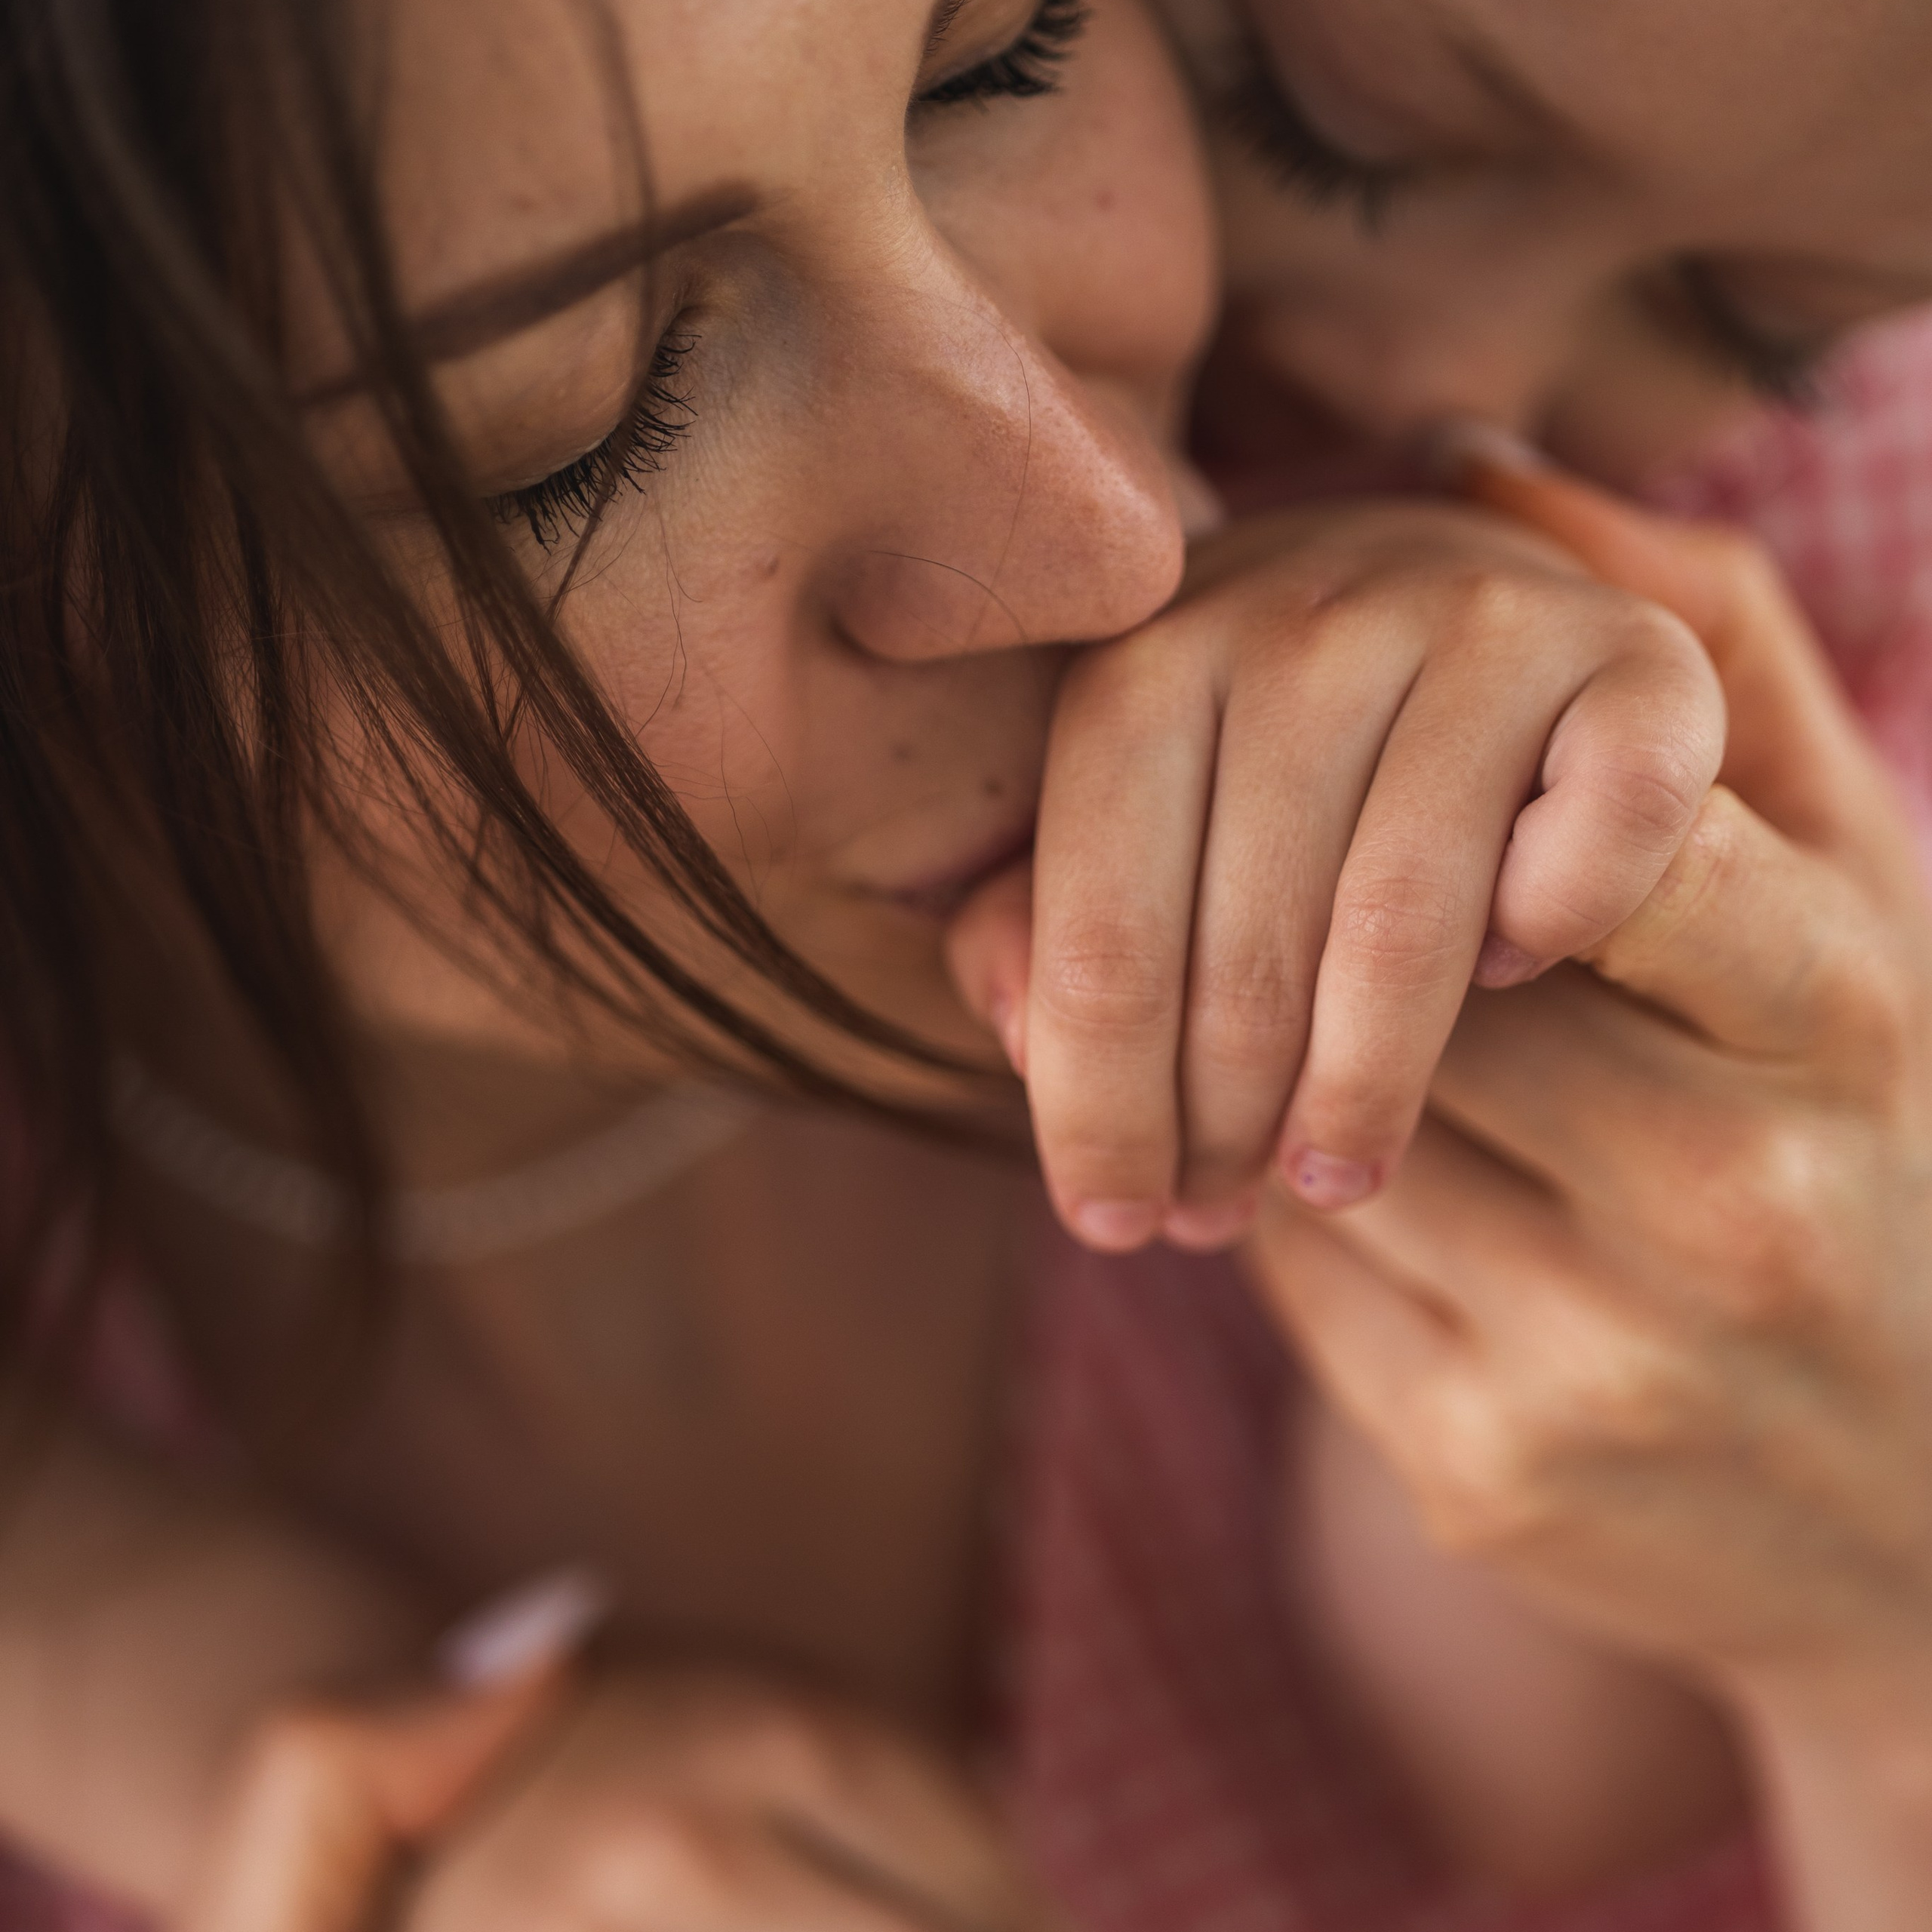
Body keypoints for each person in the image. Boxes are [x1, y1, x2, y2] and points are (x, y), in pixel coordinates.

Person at [0, 8, 1903, 1932]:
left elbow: (1565, 1770)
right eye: (573, 428)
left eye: (1003, 58)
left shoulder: (1646, 588)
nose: (1106, 531)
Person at [1103, 0, 1932, 1924]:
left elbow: (1540, 1782)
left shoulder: (1778, 598)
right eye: (1325, 132)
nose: (1455, 381)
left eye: (1750, 326)